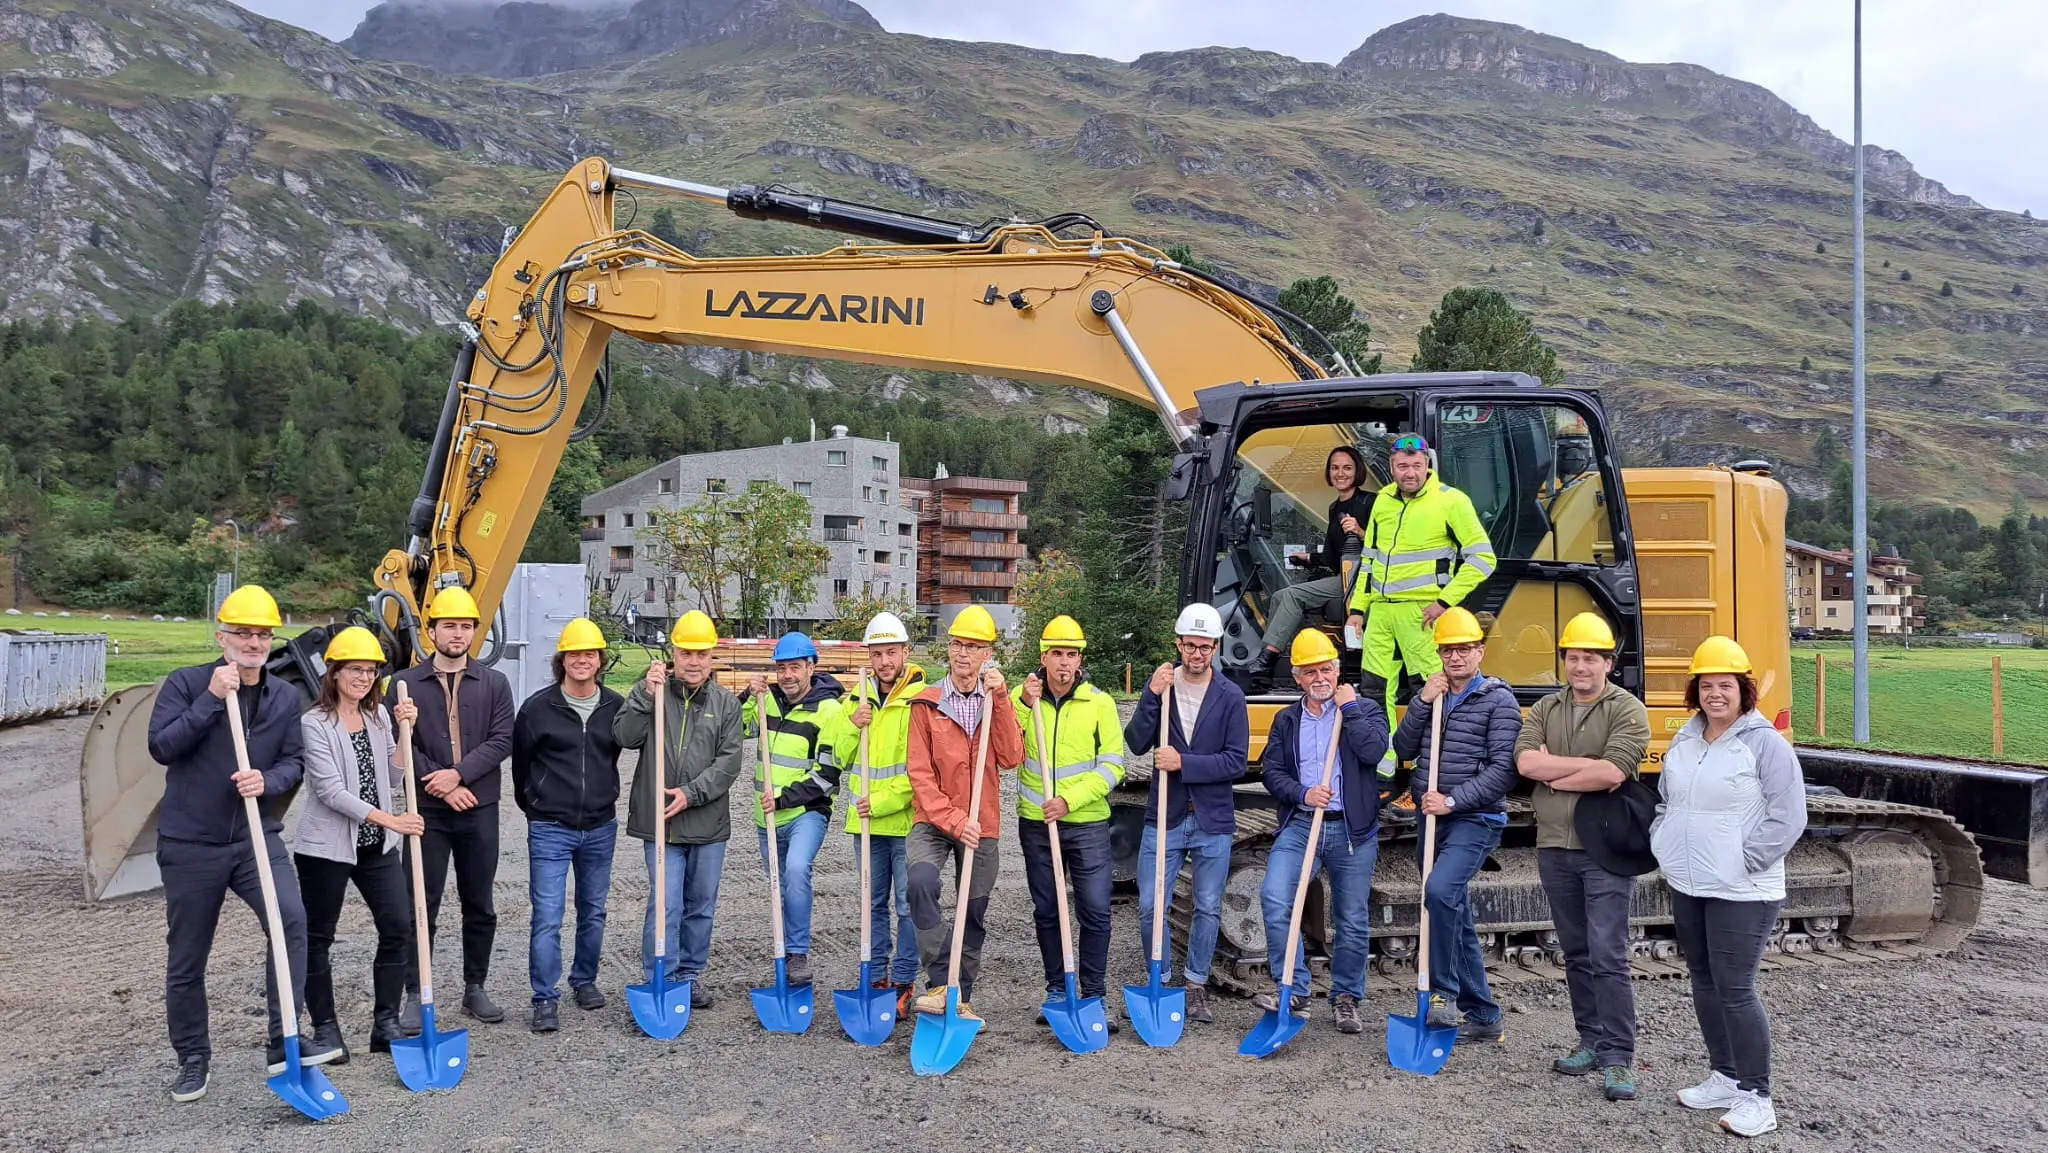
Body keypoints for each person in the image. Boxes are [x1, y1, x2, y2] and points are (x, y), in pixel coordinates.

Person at [146, 585, 341, 1103]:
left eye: (262, 633)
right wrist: (212, 699)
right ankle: (192, 1058)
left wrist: (268, 783)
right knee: (188, 955)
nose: (254, 642)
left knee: (291, 923)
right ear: (223, 636)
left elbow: (294, 762)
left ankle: (284, 1042)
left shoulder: (282, 695)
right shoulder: (187, 684)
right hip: (192, 843)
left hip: (256, 838)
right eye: (243, 633)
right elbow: (162, 747)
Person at [1654, 636, 1807, 1139]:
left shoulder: (1765, 744)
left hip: (1744, 889)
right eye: (1706, 685)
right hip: (1690, 881)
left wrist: (1745, 860)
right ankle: (1724, 1076)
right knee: (1703, 977)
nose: (1715, 694)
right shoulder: (1687, 739)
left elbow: (1789, 816)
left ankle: (1758, 1097)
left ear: (1744, 691)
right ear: (1694, 691)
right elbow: (1666, 801)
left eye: (1726, 685)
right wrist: (1664, 840)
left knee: (1736, 989)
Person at [1515, 611, 1652, 1102]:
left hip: (1606, 850)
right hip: (1555, 845)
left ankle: (1618, 1057)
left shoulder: (1628, 709)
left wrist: (1555, 774)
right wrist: (1578, 768)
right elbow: (1525, 761)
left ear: (1608, 663)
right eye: (1573, 657)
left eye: (1590, 658)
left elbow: (1614, 774)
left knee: (1608, 955)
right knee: (1574, 951)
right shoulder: (1546, 708)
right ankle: (1590, 1041)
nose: (1580, 666)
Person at [1388, 607, 1520, 1045]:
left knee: (1440, 892)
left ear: (1480, 650)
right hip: (1432, 815)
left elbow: (1505, 770)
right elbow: (1403, 748)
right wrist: (1422, 702)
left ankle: (1441, 995)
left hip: (1475, 817)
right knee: (1453, 911)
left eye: (1465, 648)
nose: (1456, 657)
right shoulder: (1435, 694)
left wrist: (1452, 800)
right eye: (1448, 649)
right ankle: (1483, 1014)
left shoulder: (1499, 700)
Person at [294, 627, 423, 1065]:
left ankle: (384, 1023)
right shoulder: (314, 724)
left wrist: (406, 730)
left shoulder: (378, 717)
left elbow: (391, 776)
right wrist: (394, 821)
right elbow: (330, 791)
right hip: (326, 849)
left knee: (398, 927)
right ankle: (326, 1028)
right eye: (355, 669)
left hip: (377, 845)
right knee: (318, 937)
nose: (364, 678)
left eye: (370, 671)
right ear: (334, 672)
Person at [393, 586, 516, 1027]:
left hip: (478, 806)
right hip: (426, 811)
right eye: (450, 625)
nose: (459, 634)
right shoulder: (403, 684)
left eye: (466, 626)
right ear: (432, 631)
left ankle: (474, 987)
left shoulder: (495, 683)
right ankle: (415, 990)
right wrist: (443, 785)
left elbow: (502, 740)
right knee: (419, 902)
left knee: (478, 901)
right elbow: (401, 744)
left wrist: (459, 775)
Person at [1255, 628, 1388, 1034]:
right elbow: (1271, 770)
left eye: (1326, 668)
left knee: (1351, 918)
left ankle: (1346, 997)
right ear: (1297, 677)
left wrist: (1350, 711)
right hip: (1302, 824)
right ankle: (1293, 987)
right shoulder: (1287, 719)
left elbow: (1374, 752)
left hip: (1352, 831)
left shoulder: (1365, 708)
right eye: (1310, 671)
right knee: (1275, 897)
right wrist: (1302, 793)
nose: (1320, 678)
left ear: (1337, 669)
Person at [1123, 602, 1247, 1025]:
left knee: (1209, 905)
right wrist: (1150, 695)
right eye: (1190, 646)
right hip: (1167, 815)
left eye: (1205, 647)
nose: (1197, 654)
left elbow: (1236, 762)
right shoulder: (1163, 686)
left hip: (1213, 819)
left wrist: (1184, 764)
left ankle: (1195, 985)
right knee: (1149, 905)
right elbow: (1137, 742)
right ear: (1178, 644)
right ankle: (1159, 975)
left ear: (1215, 647)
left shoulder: (1230, 696)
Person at [1345, 433, 1497, 778]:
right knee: (1373, 689)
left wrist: (1444, 602)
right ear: (1392, 467)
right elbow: (1368, 561)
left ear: (1427, 465)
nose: (1409, 472)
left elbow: (1482, 559)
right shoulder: (1383, 501)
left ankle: (1428, 772)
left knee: (1429, 691)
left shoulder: (1451, 501)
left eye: (1416, 465)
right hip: (1380, 614)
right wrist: (1357, 609)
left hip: (1422, 616)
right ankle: (1382, 771)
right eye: (1401, 466)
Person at [614, 609, 744, 1009]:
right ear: (673, 653)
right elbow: (625, 735)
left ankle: (690, 973)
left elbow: (729, 762)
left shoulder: (725, 704)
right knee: (666, 904)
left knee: (701, 906)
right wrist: (642, 696)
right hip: (662, 825)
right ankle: (661, 975)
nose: (693, 661)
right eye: (686, 653)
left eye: (701, 654)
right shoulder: (654, 692)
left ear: (711, 658)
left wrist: (691, 793)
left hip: (706, 824)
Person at [907, 606, 1024, 1019]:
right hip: (935, 821)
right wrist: (957, 821)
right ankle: (940, 982)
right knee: (920, 882)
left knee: (973, 909)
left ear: (987, 653)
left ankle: (963, 996)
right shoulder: (926, 704)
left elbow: (1011, 757)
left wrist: (1004, 699)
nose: (963, 654)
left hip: (984, 821)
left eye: (973, 647)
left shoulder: (995, 702)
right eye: (957, 644)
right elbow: (919, 774)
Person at [511, 618, 624, 1033]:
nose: (582, 660)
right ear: (562, 660)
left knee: (593, 911)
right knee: (548, 915)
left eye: (589, 654)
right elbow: (520, 767)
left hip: (599, 826)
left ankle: (585, 981)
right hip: (549, 827)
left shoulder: (614, 706)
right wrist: (538, 806)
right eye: (574, 653)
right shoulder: (537, 708)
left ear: (599, 660)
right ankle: (544, 997)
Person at [1013, 615, 1125, 1028]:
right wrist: (1024, 706)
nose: (1064, 662)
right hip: (1036, 824)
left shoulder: (1100, 703)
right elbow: (1006, 749)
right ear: (1043, 656)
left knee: (1095, 910)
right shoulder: (1022, 698)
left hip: (1087, 824)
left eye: (1071, 654)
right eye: (1056, 653)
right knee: (1047, 909)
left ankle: (1094, 993)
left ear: (1080, 659)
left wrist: (1069, 800)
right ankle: (1058, 989)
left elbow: (1115, 766)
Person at [741, 631, 854, 987]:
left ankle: (799, 952)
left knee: (795, 869)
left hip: (807, 812)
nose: (787, 675)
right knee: (779, 886)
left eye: (795, 667)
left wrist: (782, 799)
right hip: (767, 818)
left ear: (811, 667)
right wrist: (747, 694)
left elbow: (827, 775)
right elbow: (735, 727)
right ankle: (785, 952)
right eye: (782, 668)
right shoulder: (766, 702)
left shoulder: (830, 710)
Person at [844, 612, 927, 1016]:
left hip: (908, 822)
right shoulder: (855, 700)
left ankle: (904, 981)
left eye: (891, 652)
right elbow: (840, 757)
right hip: (866, 824)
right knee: (870, 902)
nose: (884, 662)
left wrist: (882, 802)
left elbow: (924, 770)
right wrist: (850, 724)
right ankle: (875, 975)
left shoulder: (923, 700)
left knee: (907, 904)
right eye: (876, 654)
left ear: (905, 652)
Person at [1250, 446, 1375, 681]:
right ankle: (1275, 661)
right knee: (1279, 596)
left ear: (1357, 471)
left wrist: (1360, 532)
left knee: (1293, 596)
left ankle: (1267, 659)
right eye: (1335, 468)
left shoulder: (1371, 502)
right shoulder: (1334, 507)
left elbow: (1388, 544)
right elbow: (1330, 557)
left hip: (1363, 579)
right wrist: (1308, 559)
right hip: (1344, 577)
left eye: (1347, 468)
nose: (1340, 473)